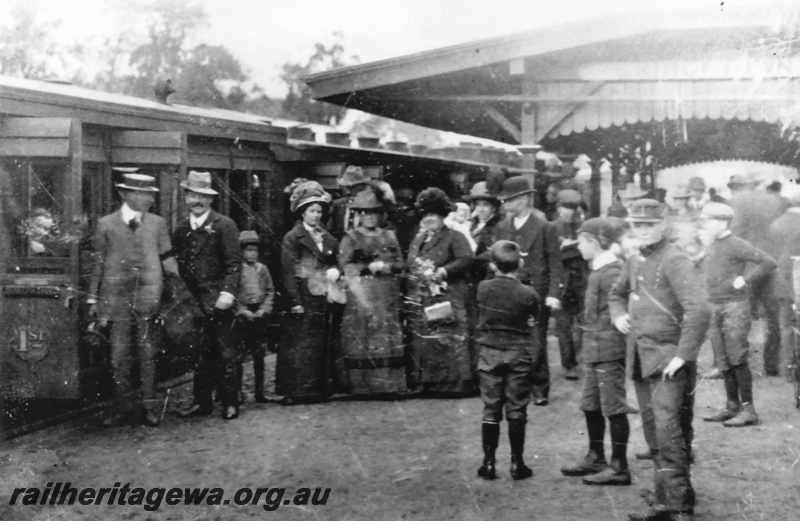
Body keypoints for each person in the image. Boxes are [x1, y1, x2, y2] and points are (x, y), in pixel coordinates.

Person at [609, 199, 710, 521]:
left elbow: (700, 309)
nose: (641, 231)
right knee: (655, 432)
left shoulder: (675, 260)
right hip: (641, 357)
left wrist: (682, 355)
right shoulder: (636, 258)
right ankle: (666, 497)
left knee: (670, 430)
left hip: (668, 360)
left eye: (647, 225)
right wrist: (618, 313)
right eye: (636, 225)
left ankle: (679, 506)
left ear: (663, 226)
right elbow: (616, 292)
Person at [88, 173, 177, 427]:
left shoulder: (157, 224)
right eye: (144, 193)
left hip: (149, 298)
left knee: (148, 353)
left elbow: (168, 262)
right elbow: (98, 264)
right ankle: (123, 408)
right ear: (125, 194)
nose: (150, 198)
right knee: (118, 356)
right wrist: (92, 299)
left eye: (152, 194)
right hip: (116, 300)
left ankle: (149, 408)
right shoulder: (105, 224)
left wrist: (175, 296)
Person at [561, 218, 631, 486]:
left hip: (608, 349)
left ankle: (619, 467)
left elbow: (621, 311)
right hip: (594, 348)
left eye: (581, 242)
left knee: (613, 407)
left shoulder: (613, 270)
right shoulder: (599, 268)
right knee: (590, 405)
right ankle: (595, 456)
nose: (578, 247)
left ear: (594, 242)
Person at [173, 170, 242, 421]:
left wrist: (227, 293)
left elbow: (234, 264)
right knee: (200, 353)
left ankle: (230, 402)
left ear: (211, 199)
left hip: (219, 299)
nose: (197, 200)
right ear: (186, 198)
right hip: (194, 302)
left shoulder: (225, 225)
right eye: (192, 195)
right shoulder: (181, 229)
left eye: (202, 196)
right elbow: (180, 266)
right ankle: (202, 402)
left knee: (225, 353)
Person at [700, 202, 776, 427]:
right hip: (715, 306)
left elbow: (768, 262)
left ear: (722, 222)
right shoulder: (712, 245)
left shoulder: (736, 244)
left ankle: (748, 410)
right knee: (723, 359)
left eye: (709, 220)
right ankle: (731, 406)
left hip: (734, 307)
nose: (705, 224)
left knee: (737, 357)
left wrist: (745, 279)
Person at [493, 176, 564, 405]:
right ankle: (514, 386)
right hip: (508, 292)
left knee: (536, 340)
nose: (504, 205)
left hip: (535, 293)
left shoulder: (545, 228)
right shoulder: (502, 227)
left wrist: (553, 294)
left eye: (508, 200)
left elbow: (555, 264)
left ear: (522, 200)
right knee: (508, 339)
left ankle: (540, 387)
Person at [475, 240, 538, 481]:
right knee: (517, 408)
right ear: (520, 263)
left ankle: (488, 463)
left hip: (490, 353)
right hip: (518, 354)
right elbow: (532, 322)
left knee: (491, 408)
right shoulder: (528, 293)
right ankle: (517, 463)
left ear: (492, 265)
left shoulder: (483, 287)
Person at [406, 187, 475, 395]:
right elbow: (410, 262)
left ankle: (454, 384)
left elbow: (466, 259)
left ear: (442, 215)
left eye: (433, 214)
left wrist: (443, 271)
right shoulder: (418, 239)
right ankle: (429, 383)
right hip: (424, 295)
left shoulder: (455, 236)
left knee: (447, 336)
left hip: (448, 294)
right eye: (425, 215)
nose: (429, 219)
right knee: (427, 339)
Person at [338, 189, 406, 395]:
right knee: (363, 333)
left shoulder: (389, 235)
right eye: (365, 213)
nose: (369, 217)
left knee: (385, 334)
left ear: (380, 214)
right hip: (362, 294)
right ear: (358, 215)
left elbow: (401, 263)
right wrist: (367, 268)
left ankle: (389, 385)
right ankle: (362, 386)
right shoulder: (351, 237)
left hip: (386, 293)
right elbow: (345, 265)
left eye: (374, 213)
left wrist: (386, 266)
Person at [279, 180, 342, 404]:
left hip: (322, 295)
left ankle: (319, 388)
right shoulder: (292, 238)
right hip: (302, 295)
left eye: (318, 211)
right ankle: (295, 391)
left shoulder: (327, 237)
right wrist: (294, 301)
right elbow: (287, 272)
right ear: (302, 213)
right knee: (299, 343)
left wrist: (335, 270)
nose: (315, 216)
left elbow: (337, 260)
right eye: (311, 211)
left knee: (320, 342)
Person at [728, 172, 788, 376]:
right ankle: (771, 366)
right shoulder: (778, 201)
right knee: (773, 318)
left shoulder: (737, 202)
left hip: (749, 265)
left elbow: (734, 233)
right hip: (772, 263)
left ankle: (742, 365)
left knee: (741, 316)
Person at [235, 230, 275, 404]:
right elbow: (232, 293)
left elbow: (270, 291)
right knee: (239, 355)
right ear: (241, 251)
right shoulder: (235, 269)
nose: (252, 253)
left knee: (259, 354)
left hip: (259, 313)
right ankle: (237, 392)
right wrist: (241, 310)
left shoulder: (262, 269)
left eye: (255, 250)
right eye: (248, 249)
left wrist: (264, 309)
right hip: (242, 315)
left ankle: (260, 392)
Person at [551, 188, 587, 381]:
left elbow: (589, 250)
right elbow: (551, 255)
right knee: (563, 326)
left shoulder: (583, 226)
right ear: (558, 207)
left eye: (572, 208)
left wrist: (567, 248)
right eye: (565, 208)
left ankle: (578, 357)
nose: (569, 212)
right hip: (560, 284)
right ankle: (569, 364)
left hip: (581, 282)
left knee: (581, 325)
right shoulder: (550, 228)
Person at [327, 165, 373, 240]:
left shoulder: (371, 206)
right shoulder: (338, 205)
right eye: (347, 187)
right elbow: (330, 230)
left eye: (355, 187)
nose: (349, 191)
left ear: (363, 187)